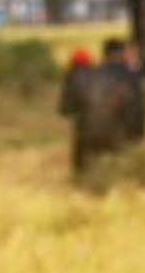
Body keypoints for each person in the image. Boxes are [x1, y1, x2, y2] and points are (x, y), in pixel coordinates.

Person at [56, 48, 131, 185]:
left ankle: (82, 183)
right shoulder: (105, 75)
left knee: (81, 159)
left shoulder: (72, 78)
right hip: (113, 130)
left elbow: (65, 110)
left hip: (87, 132)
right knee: (113, 161)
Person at [100, 39, 145, 149]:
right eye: (127, 53)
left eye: (133, 53)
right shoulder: (127, 72)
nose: (129, 56)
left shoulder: (134, 72)